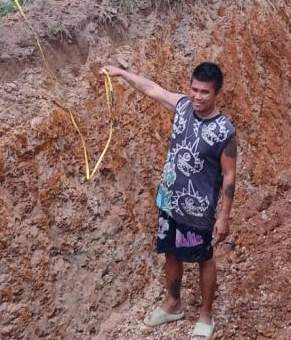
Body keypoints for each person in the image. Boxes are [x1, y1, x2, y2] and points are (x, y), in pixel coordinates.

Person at [100, 62, 238, 340]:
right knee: (171, 252)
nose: (197, 96)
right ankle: (173, 304)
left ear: (217, 93)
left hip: (199, 209)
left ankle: (206, 315)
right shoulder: (184, 106)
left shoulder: (225, 131)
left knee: (204, 258)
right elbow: (152, 88)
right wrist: (123, 73)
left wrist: (223, 216)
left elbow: (229, 175)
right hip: (169, 201)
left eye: (205, 92)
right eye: (194, 89)